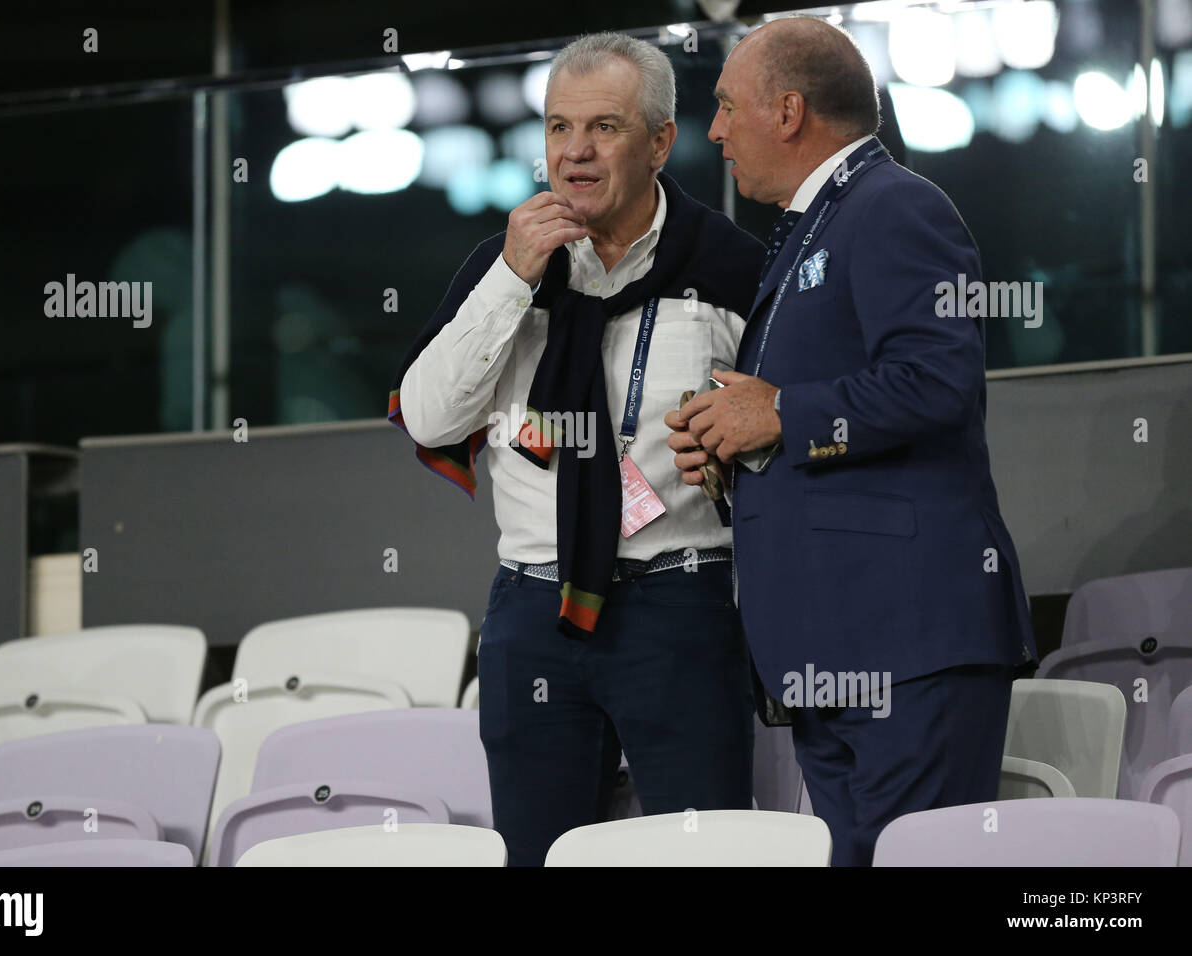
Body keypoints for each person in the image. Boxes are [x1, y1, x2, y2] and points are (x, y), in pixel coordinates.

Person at [668, 16, 1038, 866]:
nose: (716, 131)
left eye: (727, 107)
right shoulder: (817, 224)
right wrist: (739, 448)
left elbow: (939, 382)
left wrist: (779, 415)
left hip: (905, 642)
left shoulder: (897, 204)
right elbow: (820, 415)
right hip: (832, 649)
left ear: (789, 111)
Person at [389, 32, 764, 866]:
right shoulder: (501, 269)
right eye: (559, 128)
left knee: (706, 854)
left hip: (683, 607)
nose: (576, 153)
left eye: (604, 127)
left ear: (661, 141)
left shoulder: (733, 268)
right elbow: (428, 418)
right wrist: (512, 280)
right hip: (530, 613)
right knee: (536, 853)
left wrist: (740, 469)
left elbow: (776, 434)